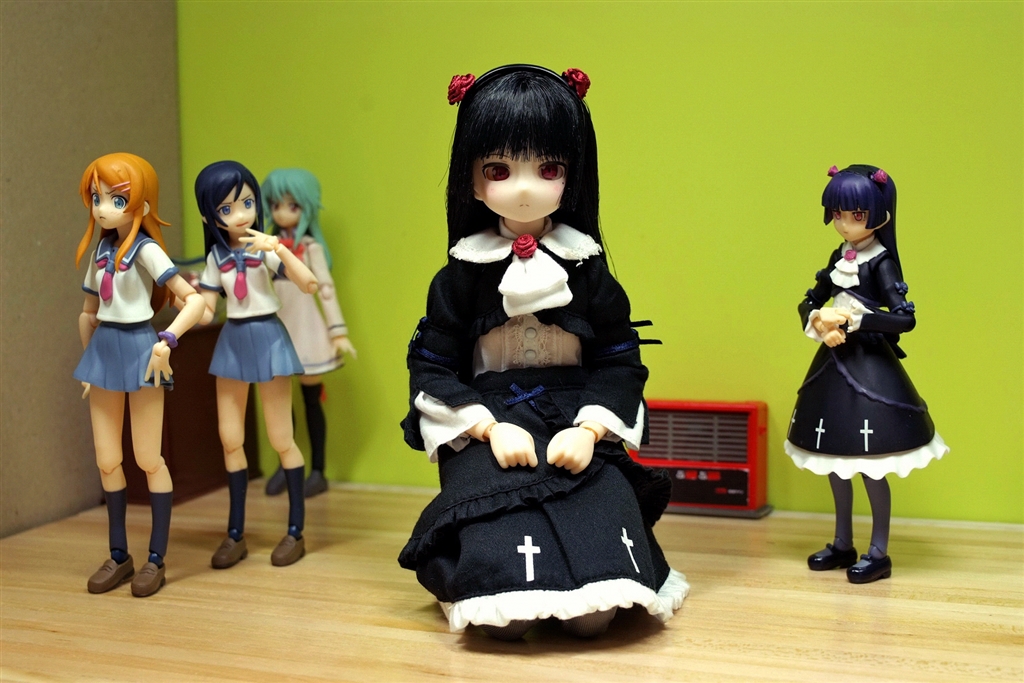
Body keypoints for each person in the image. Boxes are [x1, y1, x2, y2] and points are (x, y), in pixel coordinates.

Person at [398, 65, 688, 639]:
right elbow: (432, 366)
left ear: (570, 177)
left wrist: (590, 430)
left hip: (574, 420)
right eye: (499, 170)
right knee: (502, 606)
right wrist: (486, 428)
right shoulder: (459, 277)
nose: (525, 187)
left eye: (547, 169)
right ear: (472, 181)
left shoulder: (589, 270)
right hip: (492, 424)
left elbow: (619, 359)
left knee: (596, 613)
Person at [785, 164, 948, 584]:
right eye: (838, 214)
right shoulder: (838, 256)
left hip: (871, 369)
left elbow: (905, 319)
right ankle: (842, 541)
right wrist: (818, 319)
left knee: (872, 466)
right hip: (833, 367)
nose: (844, 224)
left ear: (880, 215)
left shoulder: (882, 263)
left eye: (855, 215)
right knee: (835, 459)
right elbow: (810, 299)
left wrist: (857, 319)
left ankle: (878, 551)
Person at [75, 153, 206, 597]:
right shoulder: (101, 252)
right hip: (104, 353)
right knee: (107, 459)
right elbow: (88, 312)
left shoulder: (146, 250)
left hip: (141, 351)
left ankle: (155, 558)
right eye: (97, 198)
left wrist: (167, 339)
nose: (102, 208)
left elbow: (193, 300)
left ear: (142, 205)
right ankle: (118, 555)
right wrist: (88, 363)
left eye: (116, 199)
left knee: (149, 458)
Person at [194, 161, 319, 569]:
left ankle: (295, 530)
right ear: (210, 216)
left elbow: (309, 283)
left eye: (247, 203)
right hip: (232, 341)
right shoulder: (216, 258)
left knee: (281, 437)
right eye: (226, 208)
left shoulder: (264, 250)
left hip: (268, 338)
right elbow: (207, 311)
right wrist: (183, 297)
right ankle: (235, 533)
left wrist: (278, 248)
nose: (240, 214)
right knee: (230, 438)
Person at [260, 169, 356, 498]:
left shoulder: (310, 247)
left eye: (292, 205)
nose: (282, 213)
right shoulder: (266, 247)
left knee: (312, 401)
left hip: (307, 327)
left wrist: (337, 331)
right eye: (275, 205)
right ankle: (286, 466)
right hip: (277, 326)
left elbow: (326, 289)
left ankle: (317, 470)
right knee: (279, 403)